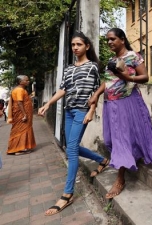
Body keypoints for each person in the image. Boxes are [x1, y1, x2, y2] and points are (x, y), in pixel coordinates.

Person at [89, 28, 152, 199]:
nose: (110, 42)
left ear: (122, 39)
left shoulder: (134, 57)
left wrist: (128, 78)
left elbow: (145, 77)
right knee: (112, 139)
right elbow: (108, 81)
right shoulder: (112, 60)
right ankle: (128, 159)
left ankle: (120, 179)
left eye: (112, 39)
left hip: (128, 102)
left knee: (121, 140)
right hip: (111, 104)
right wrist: (96, 94)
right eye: (107, 40)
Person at [38, 31, 110, 216]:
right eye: (73, 45)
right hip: (69, 111)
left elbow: (96, 91)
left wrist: (92, 110)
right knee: (71, 146)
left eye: (79, 44)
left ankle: (68, 193)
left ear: (87, 46)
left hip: (82, 111)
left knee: (71, 149)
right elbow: (63, 89)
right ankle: (102, 160)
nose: (75, 48)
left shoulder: (93, 66)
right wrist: (47, 104)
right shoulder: (69, 69)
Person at [6, 75, 36, 155]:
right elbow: (19, 102)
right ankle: (17, 149)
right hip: (21, 114)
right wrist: (24, 115)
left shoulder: (20, 89)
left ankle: (21, 147)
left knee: (22, 130)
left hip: (21, 113)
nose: (28, 81)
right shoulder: (19, 90)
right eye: (26, 80)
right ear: (20, 82)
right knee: (20, 131)